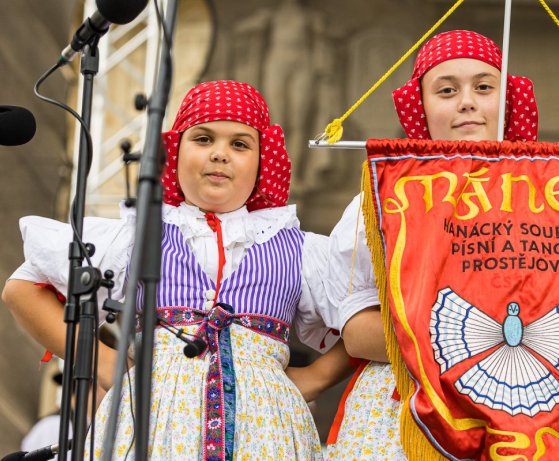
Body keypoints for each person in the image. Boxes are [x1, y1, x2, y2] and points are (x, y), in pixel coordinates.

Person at [2, 80, 343, 460]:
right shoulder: (138, 235)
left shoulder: (298, 249)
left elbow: (369, 308)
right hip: (152, 421)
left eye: (240, 144)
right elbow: (22, 288)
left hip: (266, 429)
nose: (219, 154)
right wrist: (105, 364)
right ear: (175, 151)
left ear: (264, 162)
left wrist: (316, 377)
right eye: (203, 139)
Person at [323, 30, 539, 460]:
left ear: (507, 101)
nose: (466, 101)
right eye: (446, 90)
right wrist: (472, 339)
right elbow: (358, 334)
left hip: (515, 415)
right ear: (419, 106)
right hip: (399, 418)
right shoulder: (381, 199)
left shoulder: (548, 201)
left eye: (483, 87)